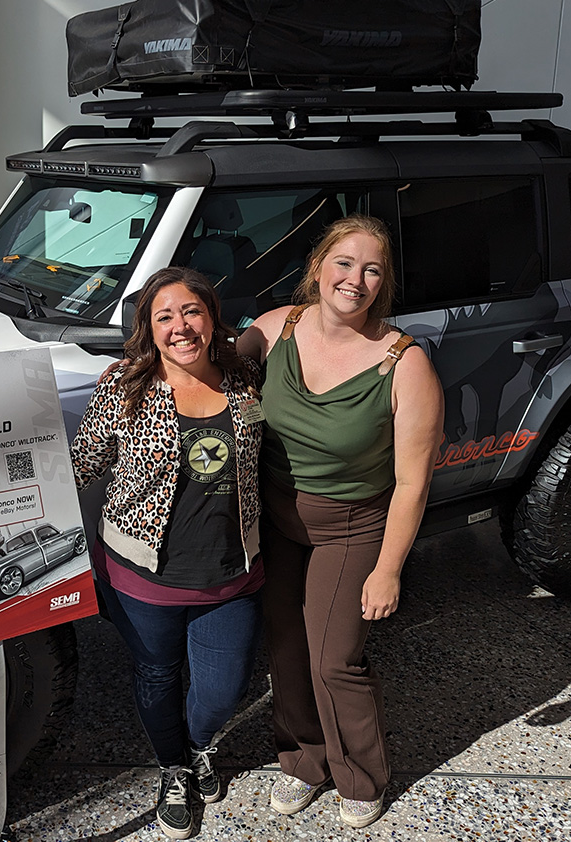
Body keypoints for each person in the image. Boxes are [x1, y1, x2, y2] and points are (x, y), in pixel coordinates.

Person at [236, 213, 443, 828]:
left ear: (384, 283)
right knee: (286, 649)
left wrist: (389, 569)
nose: (355, 279)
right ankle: (303, 761)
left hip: (350, 528)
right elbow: (207, 374)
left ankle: (361, 775)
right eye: (344, 263)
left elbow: (413, 482)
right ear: (318, 267)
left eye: (372, 270)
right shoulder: (275, 328)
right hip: (276, 520)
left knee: (334, 660)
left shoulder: (404, 364)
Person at [71, 266, 265, 840]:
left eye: (192, 312)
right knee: (156, 675)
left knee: (224, 689)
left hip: (230, 571)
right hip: (141, 573)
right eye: (165, 317)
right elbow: (84, 463)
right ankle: (173, 767)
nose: (181, 327)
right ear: (149, 329)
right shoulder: (124, 386)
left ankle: (199, 745)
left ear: (212, 318)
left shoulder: (244, 378)